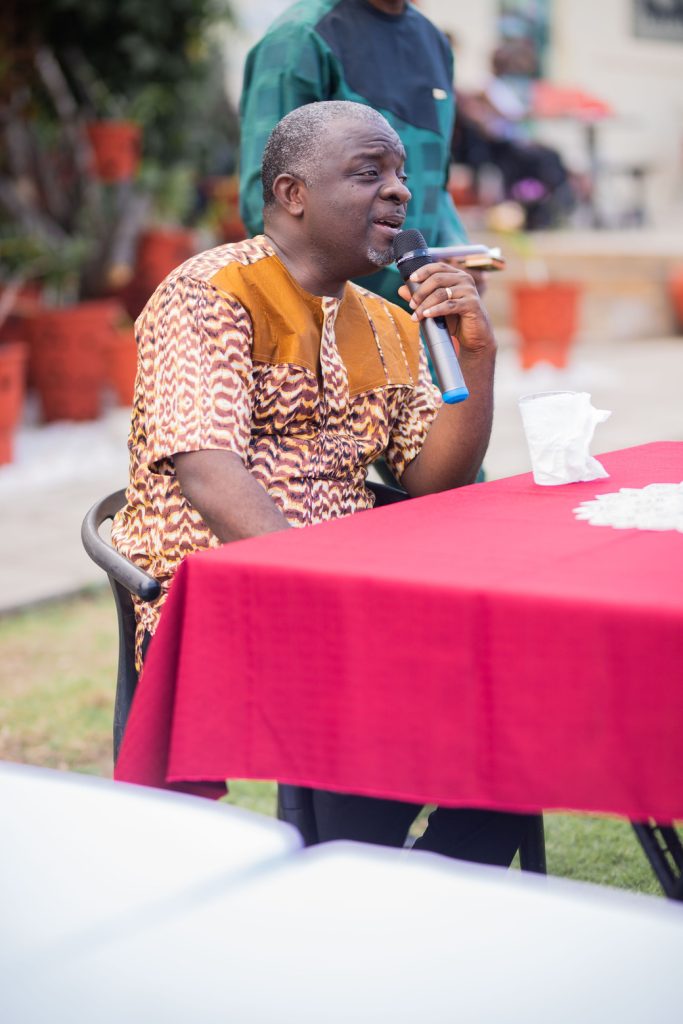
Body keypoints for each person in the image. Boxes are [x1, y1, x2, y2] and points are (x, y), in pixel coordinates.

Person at [112, 100, 529, 867]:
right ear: (293, 193)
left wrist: (476, 357)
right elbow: (207, 468)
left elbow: (430, 479)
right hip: (227, 589)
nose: (398, 191)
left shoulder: (384, 319)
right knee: (401, 678)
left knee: (518, 679)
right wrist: (325, 596)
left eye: (399, 176)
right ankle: (358, 871)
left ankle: (407, 880)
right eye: (368, 173)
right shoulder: (210, 293)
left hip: (355, 583)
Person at [238, 0, 470, 308]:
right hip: (330, 314)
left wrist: (459, 255)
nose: (399, 191)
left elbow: (434, 180)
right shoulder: (300, 38)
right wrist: (392, 285)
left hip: (420, 309)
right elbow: (267, 198)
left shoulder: (432, 41)